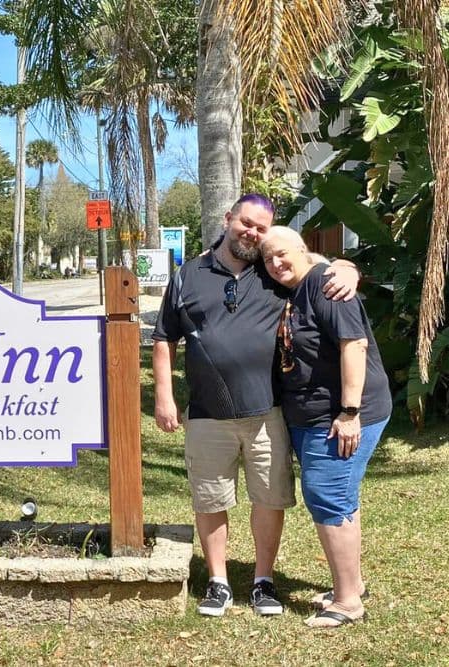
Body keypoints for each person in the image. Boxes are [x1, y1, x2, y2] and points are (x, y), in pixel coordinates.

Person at [152, 193, 359, 618]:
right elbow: (163, 338)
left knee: (269, 498)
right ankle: (218, 581)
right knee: (210, 499)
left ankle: (264, 580)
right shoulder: (188, 274)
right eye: (246, 223)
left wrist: (346, 267)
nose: (252, 233)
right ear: (229, 219)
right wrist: (163, 396)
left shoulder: (272, 273)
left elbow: (306, 263)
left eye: (261, 228)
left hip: (268, 413)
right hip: (207, 414)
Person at [260, 226, 391, 628]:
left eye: (282, 253)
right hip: (311, 416)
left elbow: (355, 344)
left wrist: (349, 411)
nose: (276, 263)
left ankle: (349, 602)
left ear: (303, 250)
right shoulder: (297, 288)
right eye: (268, 258)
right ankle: (350, 584)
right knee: (339, 496)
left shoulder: (324, 284)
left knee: (328, 495)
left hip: (342, 415)